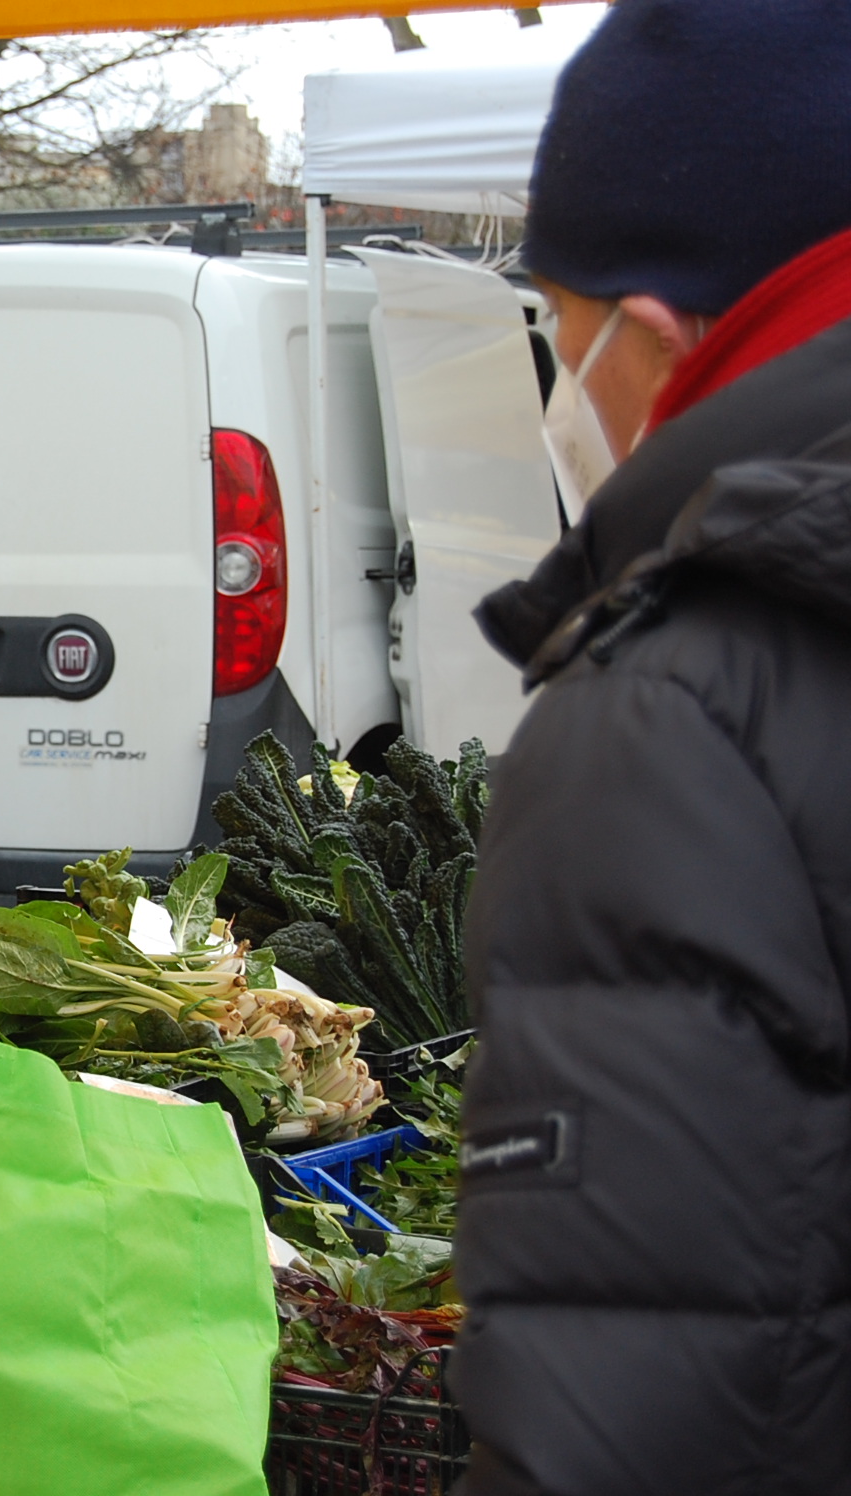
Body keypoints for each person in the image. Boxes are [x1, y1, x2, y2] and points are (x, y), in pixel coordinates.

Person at [453, 5, 851, 1491]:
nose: (567, 378)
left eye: (559, 320)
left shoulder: (678, 702)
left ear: (666, 322)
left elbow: (628, 1373)